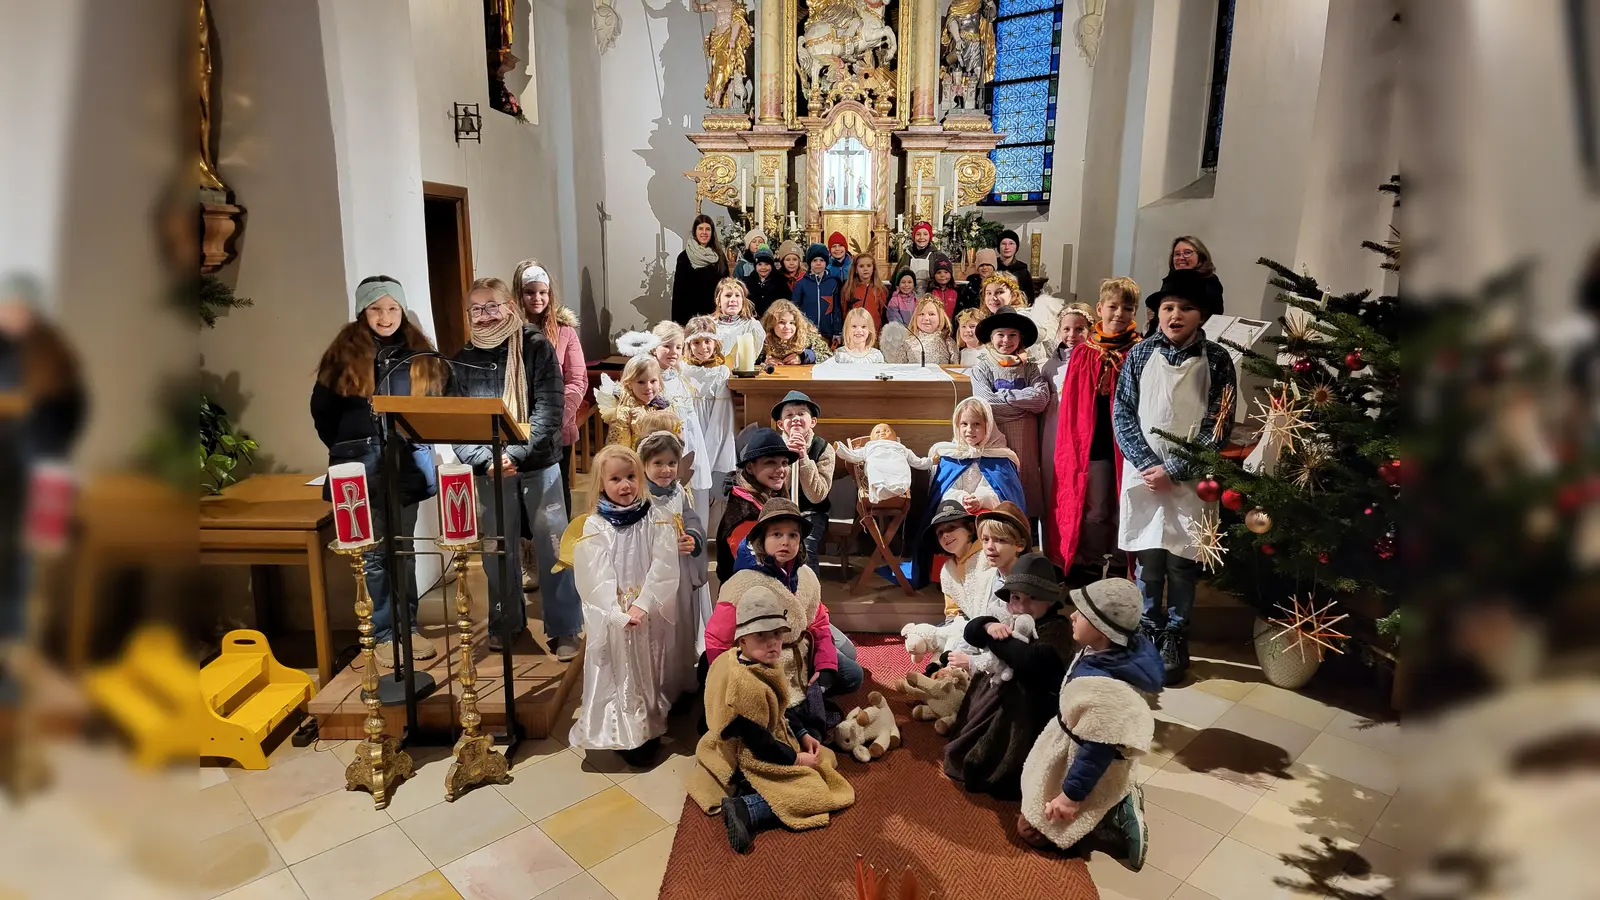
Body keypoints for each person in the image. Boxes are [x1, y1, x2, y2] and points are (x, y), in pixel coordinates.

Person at [311, 276, 448, 669]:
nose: (385, 317)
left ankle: (408, 628)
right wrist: (352, 448)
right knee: (371, 554)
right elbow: (323, 415)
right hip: (359, 466)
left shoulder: (420, 354)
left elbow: (436, 406)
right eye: (375, 309)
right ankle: (383, 634)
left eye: (391, 308)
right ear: (362, 312)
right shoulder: (342, 355)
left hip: (404, 463)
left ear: (402, 310)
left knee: (402, 551)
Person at [449, 277, 582, 657]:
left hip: (537, 462)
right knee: (496, 550)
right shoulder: (462, 357)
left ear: (509, 306)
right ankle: (505, 622)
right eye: (477, 308)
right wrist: (484, 459)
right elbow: (458, 422)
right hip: (488, 468)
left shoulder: (535, 346)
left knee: (553, 546)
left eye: (492, 306)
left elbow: (549, 408)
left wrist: (516, 453)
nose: (485, 315)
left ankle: (565, 627)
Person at [1115, 268, 1234, 684]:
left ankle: (1176, 634)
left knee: (1182, 561)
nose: (1175, 315)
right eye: (1168, 307)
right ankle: (1148, 627)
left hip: (1190, 480)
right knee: (1148, 559)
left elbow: (1219, 422)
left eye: (1185, 308)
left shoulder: (1217, 361)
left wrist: (1178, 468)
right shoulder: (1139, 355)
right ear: (1158, 313)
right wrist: (1148, 464)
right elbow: (1123, 413)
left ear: (1200, 315)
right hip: (1145, 475)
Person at [688, 588, 854, 855]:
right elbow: (760, 743)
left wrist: (800, 733)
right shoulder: (745, 685)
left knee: (825, 758)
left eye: (776, 633)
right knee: (815, 790)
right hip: (745, 755)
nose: (772, 642)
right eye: (761, 635)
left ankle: (750, 794)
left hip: (765, 737)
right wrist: (796, 759)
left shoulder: (750, 662)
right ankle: (748, 809)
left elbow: (781, 707)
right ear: (741, 639)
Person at [1018, 578, 1162, 871]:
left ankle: (1120, 805)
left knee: (1031, 831)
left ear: (1102, 628)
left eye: (1081, 613)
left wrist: (1070, 798)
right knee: (1029, 794)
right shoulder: (1101, 651)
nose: (1071, 615)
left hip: (1088, 757)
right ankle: (1113, 801)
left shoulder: (1107, 690)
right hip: (1071, 741)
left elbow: (1097, 751)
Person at [569, 445, 681, 765]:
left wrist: (644, 603)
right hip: (615, 616)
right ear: (601, 483)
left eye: (631, 476)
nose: (625, 485)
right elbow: (593, 576)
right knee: (617, 672)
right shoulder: (595, 526)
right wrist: (615, 612)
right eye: (615, 478)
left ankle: (647, 727)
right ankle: (620, 732)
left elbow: (663, 565)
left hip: (645, 612)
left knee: (646, 670)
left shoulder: (656, 519)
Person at [942, 551, 1077, 800]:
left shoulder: (1057, 628)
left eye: (1032, 598)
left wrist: (993, 639)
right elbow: (972, 631)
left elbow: (1030, 660)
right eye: (1016, 598)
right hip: (994, 692)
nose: (1022, 607)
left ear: (1049, 600)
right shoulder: (1011, 618)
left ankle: (996, 765)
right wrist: (987, 625)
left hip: (1028, 711)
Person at [705, 499, 864, 700]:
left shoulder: (806, 576)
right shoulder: (742, 582)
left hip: (799, 654)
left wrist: (825, 666)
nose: (785, 542)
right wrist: (729, 684)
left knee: (853, 675)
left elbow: (820, 625)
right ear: (762, 539)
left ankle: (806, 691)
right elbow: (718, 638)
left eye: (793, 535)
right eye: (777, 534)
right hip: (761, 661)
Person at [1053, 278, 1142, 578]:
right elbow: (1072, 410)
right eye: (1113, 307)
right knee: (1095, 508)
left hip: (1129, 447)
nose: (1119, 314)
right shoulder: (1084, 352)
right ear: (1101, 308)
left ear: (1135, 312)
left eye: (1127, 308)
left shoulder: (1140, 352)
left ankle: (1119, 564)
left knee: (1124, 508)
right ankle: (1091, 562)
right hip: (1093, 445)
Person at [905, 398, 1026, 587]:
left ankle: (987, 579)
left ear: (988, 425)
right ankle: (948, 578)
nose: (970, 430)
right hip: (955, 509)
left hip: (986, 510)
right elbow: (945, 490)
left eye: (976, 424)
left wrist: (980, 499)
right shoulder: (950, 455)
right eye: (964, 424)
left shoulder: (1001, 457)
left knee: (991, 525)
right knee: (947, 522)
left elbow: (1001, 493)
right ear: (956, 425)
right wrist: (961, 498)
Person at [513, 259, 585, 523]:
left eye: (543, 292)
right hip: (519, 427)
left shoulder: (565, 332)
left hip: (556, 428)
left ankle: (558, 551)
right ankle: (528, 551)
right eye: (530, 292)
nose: (537, 298)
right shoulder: (509, 332)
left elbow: (577, 380)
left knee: (556, 491)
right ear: (519, 294)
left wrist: (556, 419)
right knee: (520, 494)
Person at [636, 430, 710, 687]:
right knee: (658, 628)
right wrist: (668, 544)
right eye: (657, 463)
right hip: (652, 574)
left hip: (679, 572)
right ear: (643, 464)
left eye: (671, 463)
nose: (666, 470)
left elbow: (689, 518)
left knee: (680, 625)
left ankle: (679, 680)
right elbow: (636, 536)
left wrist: (693, 536)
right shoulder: (640, 498)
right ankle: (656, 684)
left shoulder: (678, 491)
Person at [926, 502, 1029, 678]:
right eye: (940, 533)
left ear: (969, 530)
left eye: (952, 527)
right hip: (973, 631)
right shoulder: (947, 569)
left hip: (1004, 657)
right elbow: (957, 613)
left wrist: (972, 660)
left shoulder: (988, 561)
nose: (990, 546)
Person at [969, 309, 1050, 517]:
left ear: (1020, 338)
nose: (1006, 340)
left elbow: (1041, 399)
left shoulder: (1030, 368)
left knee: (1026, 478)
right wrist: (1023, 404)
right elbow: (986, 404)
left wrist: (1005, 394)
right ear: (991, 337)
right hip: (996, 435)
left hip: (1026, 438)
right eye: (1000, 335)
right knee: (999, 480)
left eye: (1013, 335)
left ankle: (1028, 528)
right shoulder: (982, 368)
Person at [1040, 303, 1094, 558]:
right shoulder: (1050, 366)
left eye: (1079, 329)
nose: (1072, 335)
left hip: (1081, 435)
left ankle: (1083, 551)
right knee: (1054, 487)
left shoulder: (1095, 360)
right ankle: (1055, 551)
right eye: (1067, 329)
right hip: (1053, 432)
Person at [648, 322, 715, 517]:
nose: (674, 352)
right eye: (667, 346)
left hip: (692, 443)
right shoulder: (650, 379)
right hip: (667, 445)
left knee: (694, 502)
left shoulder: (680, 375)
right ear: (654, 347)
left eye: (678, 347)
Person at [717, 425, 796, 578]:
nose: (781, 469)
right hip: (750, 595)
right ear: (750, 467)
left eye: (784, 462)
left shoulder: (768, 501)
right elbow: (753, 569)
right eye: (770, 462)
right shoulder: (745, 514)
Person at [769, 390, 836, 570]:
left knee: (804, 548)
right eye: (789, 415)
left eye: (801, 413)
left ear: (812, 421)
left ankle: (808, 594)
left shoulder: (824, 449)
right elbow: (774, 491)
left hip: (811, 511)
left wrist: (803, 458)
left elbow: (817, 495)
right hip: (778, 509)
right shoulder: (773, 446)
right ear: (781, 424)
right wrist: (787, 460)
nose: (796, 418)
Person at [684, 315, 736, 537]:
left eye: (707, 341)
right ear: (687, 345)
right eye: (696, 342)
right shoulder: (681, 369)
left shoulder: (721, 372)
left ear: (716, 343)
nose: (702, 347)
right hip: (686, 439)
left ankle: (700, 543)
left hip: (710, 440)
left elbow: (721, 419)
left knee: (703, 497)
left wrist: (705, 456)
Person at [1144, 235, 1222, 337]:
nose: (1181, 257)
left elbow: (1213, 318)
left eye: (1187, 253)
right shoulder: (1170, 280)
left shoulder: (1210, 282)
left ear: (1201, 256)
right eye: (1177, 254)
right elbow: (1157, 320)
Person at [833, 423, 932, 503]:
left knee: (900, 470)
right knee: (875, 468)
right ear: (872, 438)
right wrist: (840, 449)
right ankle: (880, 488)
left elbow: (917, 461)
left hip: (896, 465)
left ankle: (896, 488)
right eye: (878, 432)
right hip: (878, 464)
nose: (882, 433)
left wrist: (931, 461)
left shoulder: (901, 448)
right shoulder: (869, 446)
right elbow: (854, 456)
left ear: (895, 436)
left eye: (887, 430)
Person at [597, 353, 671, 448]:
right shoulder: (624, 413)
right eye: (641, 382)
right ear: (629, 384)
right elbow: (620, 450)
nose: (648, 387)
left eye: (653, 381)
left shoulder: (664, 407)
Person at [672, 213, 729, 323]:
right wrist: (678, 323)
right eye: (700, 229)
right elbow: (678, 294)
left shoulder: (719, 256)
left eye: (708, 229)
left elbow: (725, 287)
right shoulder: (684, 257)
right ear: (695, 231)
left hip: (714, 316)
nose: (704, 232)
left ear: (712, 233)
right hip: (690, 317)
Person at [791, 243, 842, 341]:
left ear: (826, 262)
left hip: (828, 333)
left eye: (821, 260)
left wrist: (837, 332)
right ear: (810, 263)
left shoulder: (833, 282)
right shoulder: (802, 283)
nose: (818, 263)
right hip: (807, 332)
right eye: (815, 260)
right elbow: (794, 308)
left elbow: (836, 309)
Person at [711, 277, 766, 363]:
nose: (733, 300)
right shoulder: (708, 325)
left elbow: (753, 356)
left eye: (737, 295)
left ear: (743, 301)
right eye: (728, 295)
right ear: (718, 300)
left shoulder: (752, 325)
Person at [760, 299, 831, 365]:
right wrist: (764, 360)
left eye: (791, 323)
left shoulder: (806, 337)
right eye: (782, 322)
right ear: (771, 324)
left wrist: (804, 357)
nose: (787, 327)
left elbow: (828, 355)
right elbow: (751, 356)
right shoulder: (762, 339)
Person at [902, 297, 959, 366]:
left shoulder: (947, 341)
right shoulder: (908, 342)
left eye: (931, 314)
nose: (926, 318)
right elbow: (900, 368)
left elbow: (955, 367)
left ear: (940, 317)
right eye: (921, 314)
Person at [840, 250, 887, 332]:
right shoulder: (849, 289)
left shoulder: (880, 290)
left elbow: (882, 314)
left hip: (873, 332)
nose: (865, 269)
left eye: (869, 266)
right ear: (856, 270)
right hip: (854, 333)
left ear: (873, 268)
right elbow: (844, 312)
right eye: (861, 266)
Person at [741, 248, 788, 316]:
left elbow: (785, 301)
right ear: (755, 266)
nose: (763, 268)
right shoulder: (748, 282)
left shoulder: (780, 281)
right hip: (753, 319)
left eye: (766, 264)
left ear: (772, 265)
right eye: (759, 264)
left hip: (774, 318)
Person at [895, 220, 939, 291]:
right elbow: (898, 280)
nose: (921, 237)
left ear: (930, 236)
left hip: (929, 296)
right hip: (909, 295)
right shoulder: (907, 255)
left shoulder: (935, 255)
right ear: (914, 237)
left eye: (925, 234)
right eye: (918, 234)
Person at [996, 229, 1037, 303]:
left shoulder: (1022, 271)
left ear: (1016, 247)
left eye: (1011, 243)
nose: (1007, 247)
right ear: (998, 246)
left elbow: (1029, 298)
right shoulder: (992, 267)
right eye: (1003, 244)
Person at [928, 253, 962, 319]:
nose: (942, 275)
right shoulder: (930, 292)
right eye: (939, 272)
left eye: (946, 272)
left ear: (951, 274)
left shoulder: (957, 291)